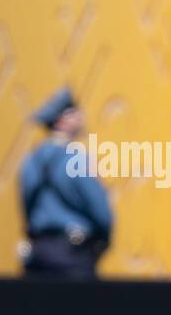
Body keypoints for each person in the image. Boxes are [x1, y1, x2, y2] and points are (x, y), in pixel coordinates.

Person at [19, 87, 113, 279]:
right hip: (74, 256)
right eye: (75, 113)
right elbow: (100, 208)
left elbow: (27, 205)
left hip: (39, 252)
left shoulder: (31, 160)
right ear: (63, 120)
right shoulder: (76, 158)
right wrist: (103, 242)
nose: (81, 117)